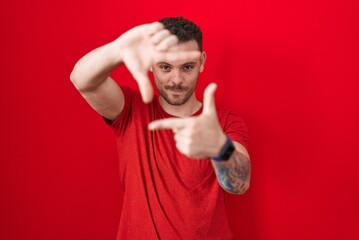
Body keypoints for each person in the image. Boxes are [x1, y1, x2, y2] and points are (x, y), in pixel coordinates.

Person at [70, 17, 251, 240]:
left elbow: (239, 184)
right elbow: (82, 80)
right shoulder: (130, 109)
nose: (176, 80)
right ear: (150, 62)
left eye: (187, 67)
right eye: (165, 67)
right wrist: (118, 49)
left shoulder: (225, 122)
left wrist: (220, 148)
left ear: (202, 62)